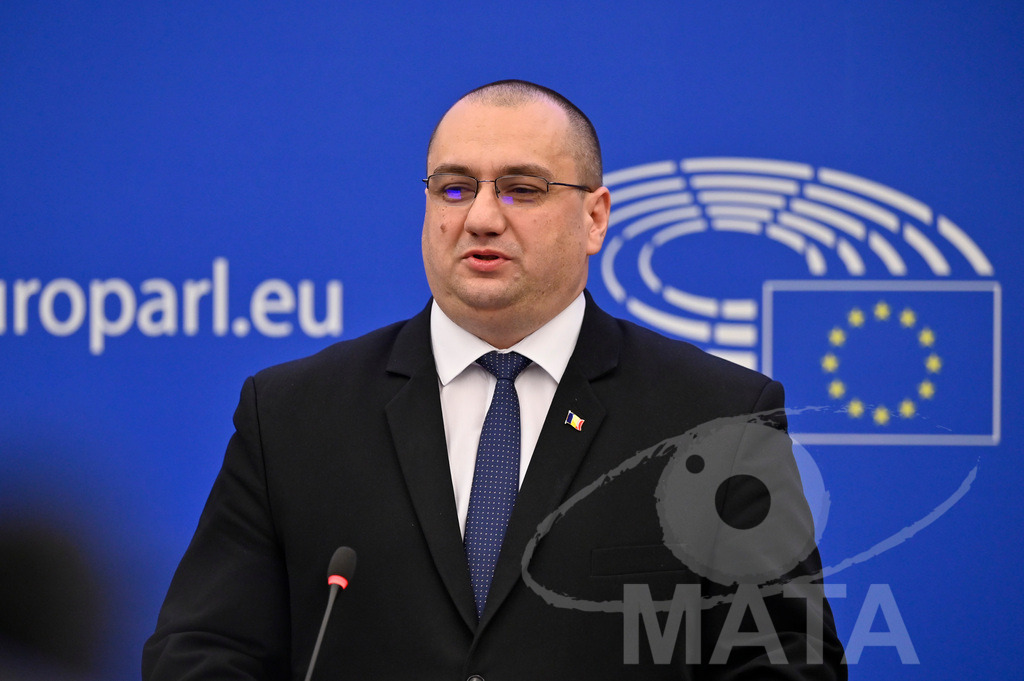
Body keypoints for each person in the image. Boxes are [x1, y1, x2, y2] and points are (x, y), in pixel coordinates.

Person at [143, 79, 845, 679]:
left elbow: (787, 659)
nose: (480, 216)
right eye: (454, 187)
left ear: (595, 217)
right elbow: (204, 649)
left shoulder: (715, 415)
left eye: (520, 189)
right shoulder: (293, 413)